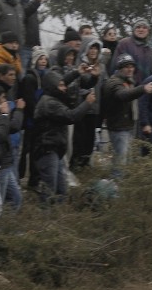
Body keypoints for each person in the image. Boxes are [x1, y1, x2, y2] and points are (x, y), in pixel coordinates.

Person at [33, 71, 96, 203]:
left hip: (56, 150)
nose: (64, 88)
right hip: (48, 150)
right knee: (49, 190)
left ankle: (57, 219)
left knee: (62, 190)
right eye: (61, 85)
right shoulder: (49, 103)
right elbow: (71, 116)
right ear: (53, 86)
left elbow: (62, 83)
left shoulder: (53, 98)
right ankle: (46, 220)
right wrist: (87, 103)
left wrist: (77, 72)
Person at [102, 53, 152, 176]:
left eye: (132, 66)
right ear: (120, 68)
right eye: (126, 66)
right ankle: (117, 189)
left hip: (127, 126)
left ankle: (123, 188)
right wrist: (143, 89)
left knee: (126, 162)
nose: (130, 69)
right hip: (118, 128)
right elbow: (122, 95)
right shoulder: (114, 82)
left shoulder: (128, 81)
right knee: (120, 164)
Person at [71, 37, 106, 170]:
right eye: (91, 48)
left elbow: (105, 84)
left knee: (90, 139)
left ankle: (85, 163)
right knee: (79, 137)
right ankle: (76, 163)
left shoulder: (101, 66)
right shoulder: (81, 65)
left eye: (96, 48)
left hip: (95, 107)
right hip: (81, 106)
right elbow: (79, 84)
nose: (93, 51)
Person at [18, 46, 49, 189]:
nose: (43, 61)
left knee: (37, 151)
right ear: (35, 60)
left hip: (40, 121)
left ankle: (34, 181)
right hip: (31, 121)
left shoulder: (46, 77)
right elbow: (29, 100)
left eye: (45, 59)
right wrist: (38, 114)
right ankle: (19, 178)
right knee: (25, 151)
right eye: (40, 58)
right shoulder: (30, 78)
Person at [0, 84, 24, 214]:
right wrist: (6, 114)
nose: (5, 101)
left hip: (6, 163)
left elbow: (12, 127)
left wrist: (16, 111)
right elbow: (2, 134)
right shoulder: (0, 116)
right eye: (2, 98)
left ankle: (7, 230)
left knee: (16, 198)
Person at [16, 0, 47, 71]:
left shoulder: (31, 3)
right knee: (22, 75)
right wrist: (37, 1)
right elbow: (24, 14)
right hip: (23, 47)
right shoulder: (16, 3)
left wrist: (38, 46)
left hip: (34, 47)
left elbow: (34, 27)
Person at [111, 18, 152, 85]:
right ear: (134, 29)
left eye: (144, 27)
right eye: (138, 27)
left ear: (148, 31)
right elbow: (115, 67)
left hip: (146, 88)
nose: (141, 29)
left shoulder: (150, 48)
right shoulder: (124, 43)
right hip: (127, 87)